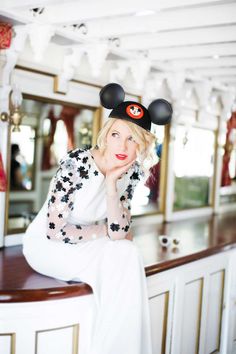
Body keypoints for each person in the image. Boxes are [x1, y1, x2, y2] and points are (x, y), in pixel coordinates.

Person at [22, 83, 172, 354]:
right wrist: (106, 231)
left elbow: (121, 233)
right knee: (124, 252)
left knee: (126, 252)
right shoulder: (77, 163)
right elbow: (55, 229)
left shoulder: (132, 172)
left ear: (142, 144)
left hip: (86, 243)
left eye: (132, 139)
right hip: (46, 245)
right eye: (116, 134)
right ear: (106, 134)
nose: (122, 145)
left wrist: (112, 185)